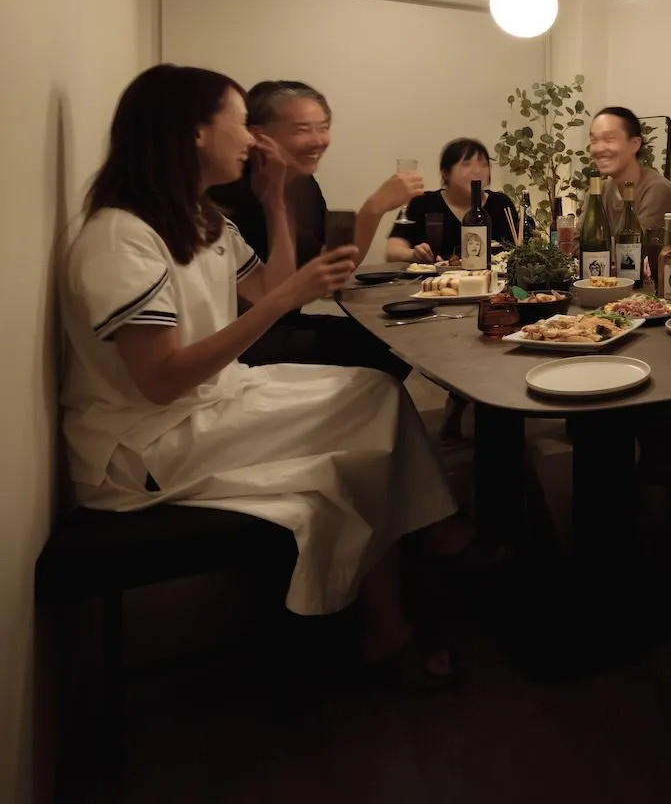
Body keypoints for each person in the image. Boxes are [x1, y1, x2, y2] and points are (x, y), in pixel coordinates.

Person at [60, 64, 484, 685]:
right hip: (146, 442)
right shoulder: (121, 237)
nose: (250, 138)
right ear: (194, 133)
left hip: (210, 399)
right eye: (239, 123)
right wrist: (285, 301)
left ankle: (408, 581)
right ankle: (415, 575)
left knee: (375, 392)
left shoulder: (202, 218)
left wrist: (271, 201)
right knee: (360, 438)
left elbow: (267, 284)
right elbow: (160, 381)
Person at [208, 81, 416, 378]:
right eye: (302, 130)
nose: (319, 140)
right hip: (242, 340)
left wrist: (375, 209)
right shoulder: (233, 192)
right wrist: (373, 207)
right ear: (258, 135)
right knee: (380, 353)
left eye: (324, 127)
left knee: (394, 340)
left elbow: (328, 268)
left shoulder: (303, 184)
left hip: (279, 322)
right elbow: (277, 296)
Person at [384, 138, 530, 263]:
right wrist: (413, 254)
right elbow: (392, 251)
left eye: (483, 164)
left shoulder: (501, 204)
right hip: (433, 289)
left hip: (492, 288)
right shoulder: (423, 203)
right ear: (445, 172)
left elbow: (519, 251)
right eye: (466, 164)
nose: (477, 170)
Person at [588, 106, 671, 258]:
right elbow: (578, 245)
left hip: (669, 278)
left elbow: (634, 252)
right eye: (593, 141)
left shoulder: (657, 189)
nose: (598, 149)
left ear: (634, 144)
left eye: (609, 139)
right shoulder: (600, 190)